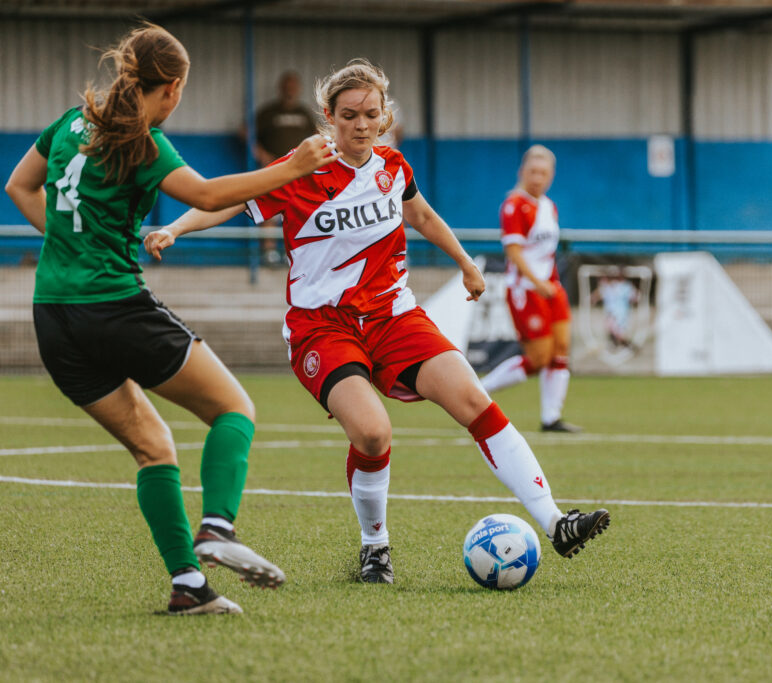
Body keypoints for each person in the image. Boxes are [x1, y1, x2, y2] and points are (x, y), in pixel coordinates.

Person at [145, 59, 610, 585]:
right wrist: (176, 229)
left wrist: (465, 263)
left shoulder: (394, 167)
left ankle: (555, 521)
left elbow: (423, 216)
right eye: (348, 115)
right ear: (329, 116)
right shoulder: (300, 170)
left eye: (369, 114)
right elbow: (225, 203)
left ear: (383, 115)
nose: (360, 125)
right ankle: (375, 546)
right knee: (371, 433)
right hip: (323, 328)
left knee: (475, 400)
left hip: (395, 316)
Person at [4, 23, 338, 615]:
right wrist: (294, 166)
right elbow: (207, 196)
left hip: (53, 317)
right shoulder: (145, 142)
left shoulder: (67, 123)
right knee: (234, 408)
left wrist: (71, 246)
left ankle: (188, 584)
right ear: (174, 86)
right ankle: (216, 529)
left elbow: (18, 186)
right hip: (113, 306)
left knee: (154, 447)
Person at [479, 145, 581, 433]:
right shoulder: (514, 205)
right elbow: (514, 252)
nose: (538, 177)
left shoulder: (549, 206)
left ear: (551, 176)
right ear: (522, 172)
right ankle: (478, 391)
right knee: (538, 359)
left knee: (560, 352)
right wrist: (538, 285)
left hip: (551, 288)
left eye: (544, 172)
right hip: (527, 289)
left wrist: (549, 285)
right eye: (533, 171)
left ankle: (551, 418)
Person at [254, 71, 319, 266]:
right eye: (287, 86)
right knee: (270, 208)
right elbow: (246, 132)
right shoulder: (268, 112)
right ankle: (270, 252)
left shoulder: (304, 113)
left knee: (302, 210)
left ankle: (298, 252)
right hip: (275, 169)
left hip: (301, 170)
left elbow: (318, 135)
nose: (290, 91)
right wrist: (262, 155)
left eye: (293, 87)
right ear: (281, 88)